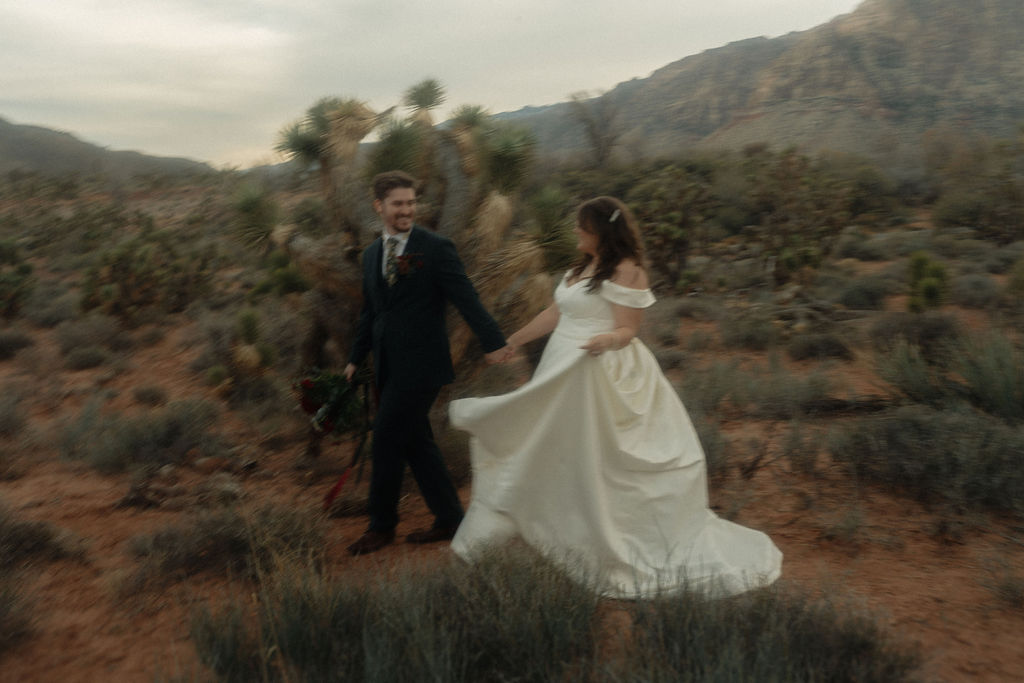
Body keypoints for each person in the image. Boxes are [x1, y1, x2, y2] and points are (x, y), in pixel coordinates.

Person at [449, 196, 782, 598]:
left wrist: (607, 339)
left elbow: (628, 330)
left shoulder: (628, 270)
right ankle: (531, 531)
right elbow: (558, 312)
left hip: (599, 370)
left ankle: (594, 537)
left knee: (592, 457)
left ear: (601, 232)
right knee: (548, 448)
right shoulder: (581, 266)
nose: (575, 232)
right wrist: (512, 342)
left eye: (582, 227)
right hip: (561, 366)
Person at [343, 170, 509, 555]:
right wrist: (355, 359)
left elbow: (465, 296)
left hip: (422, 365)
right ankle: (450, 518)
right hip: (387, 364)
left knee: (386, 439)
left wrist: (493, 341)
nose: (407, 210)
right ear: (379, 206)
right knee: (417, 444)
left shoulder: (435, 247)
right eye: (398, 203)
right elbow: (371, 313)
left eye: (411, 202)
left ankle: (381, 527)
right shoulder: (371, 255)